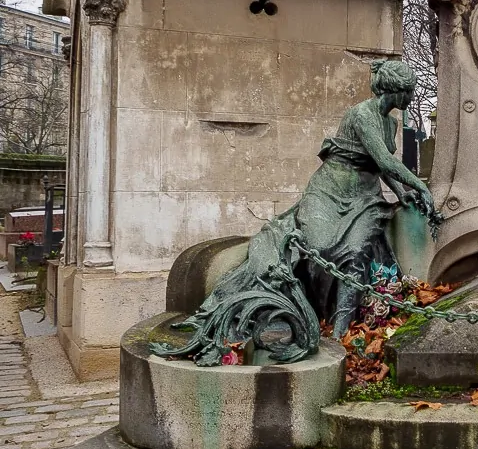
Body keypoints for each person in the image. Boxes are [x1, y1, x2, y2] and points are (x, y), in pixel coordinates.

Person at [156, 59, 439, 365]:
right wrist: (420, 188)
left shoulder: (391, 123)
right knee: (317, 248)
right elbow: (385, 161)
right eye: (409, 92)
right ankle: (304, 312)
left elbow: (380, 167)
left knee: (355, 253)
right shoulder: (361, 114)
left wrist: (402, 194)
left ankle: (339, 335)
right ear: (395, 91)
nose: (411, 98)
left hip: (365, 199)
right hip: (328, 192)